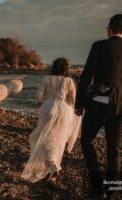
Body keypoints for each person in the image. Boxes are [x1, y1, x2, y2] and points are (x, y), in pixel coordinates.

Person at [75, 14, 122, 200]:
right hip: (121, 106)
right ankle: (112, 192)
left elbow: (86, 77)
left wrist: (79, 104)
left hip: (100, 103)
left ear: (109, 29)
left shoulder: (99, 45)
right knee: (115, 150)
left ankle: (96, 189)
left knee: (87, 140)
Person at [21, 57, 82, 184]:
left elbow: (38, 96)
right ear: (66, 69)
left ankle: (53, 166)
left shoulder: (47, 79)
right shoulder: (69, 81)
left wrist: (41, 107)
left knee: (44, 137)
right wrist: (72, 112)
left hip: (48, 109)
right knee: (58, 138)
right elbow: (73, 99)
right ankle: (54, 166)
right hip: (65, 111)